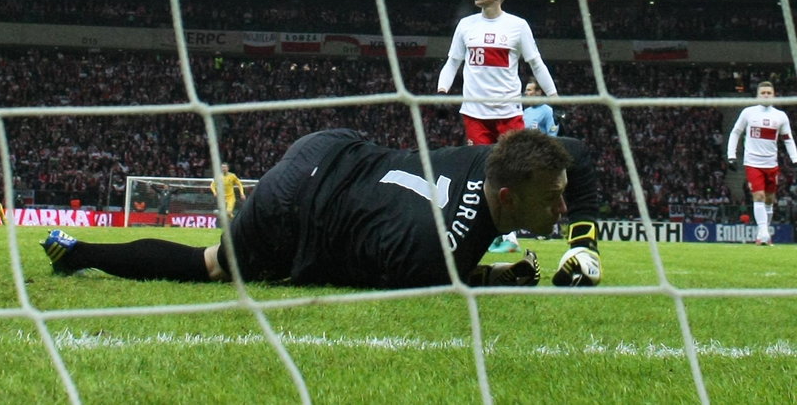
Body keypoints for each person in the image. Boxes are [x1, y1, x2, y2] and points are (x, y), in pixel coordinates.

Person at [41, 128, 603, 290]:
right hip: (297, 202)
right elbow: (328, 267)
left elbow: (580, 158)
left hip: (337, 143)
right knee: (214, 265)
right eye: (552, 198)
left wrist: (583, 244)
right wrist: (496, 276)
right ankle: (78, 252)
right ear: (507, 198)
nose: (562, 203)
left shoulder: (500, 160)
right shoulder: (431, 256)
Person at [437, 0, 558, 146]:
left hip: (508, 112)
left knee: (514, 166)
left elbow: (536, 64)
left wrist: (555, 98)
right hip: (474, 113)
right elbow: (453, 62)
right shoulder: (465, 25)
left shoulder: (518, 25)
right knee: (481, 167)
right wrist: (442, 91)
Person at [490, 80, 559, 253]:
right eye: (526, 90)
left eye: (529, 90)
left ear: (538, 93)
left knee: (542, 195)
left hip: (539, 160)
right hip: (522, 160)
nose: (526, 93)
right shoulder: (524, 112)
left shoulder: (546, 110)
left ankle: (546, 230)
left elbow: (552, 134)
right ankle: (508, 234)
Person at [726, 81, 796, 246]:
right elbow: (736, 132)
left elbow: (788, 139)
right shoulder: (748, 113)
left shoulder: (780, 116)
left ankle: (762, 233)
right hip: (752, 162)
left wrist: (795, 158)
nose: (765, 95)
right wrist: (731, 155)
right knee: (759, 196)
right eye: (763, 93)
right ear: (758, 95)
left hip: (771, 163)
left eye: (768, 93)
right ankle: (764, 234)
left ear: (773, 95)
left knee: (769, 200)